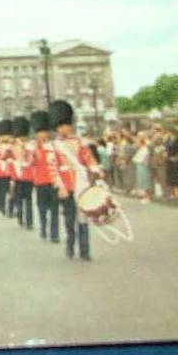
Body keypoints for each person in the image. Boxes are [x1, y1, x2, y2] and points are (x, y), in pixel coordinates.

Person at [50, 100, 103, 260]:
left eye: (66, 125)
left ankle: (85, 251)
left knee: (83, 217)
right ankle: (70, 244)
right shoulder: (54, 145)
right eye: (61, 126)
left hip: (81, 183)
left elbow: (89, 160)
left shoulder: (81, 143)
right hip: (66, 184)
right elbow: (53, 168)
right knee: (69, 218)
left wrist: (97, 171)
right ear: (57, 128)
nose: (64, 129)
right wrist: (60, 186)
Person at [29, 111, 59, 243]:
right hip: (40, 181)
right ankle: (43, 227)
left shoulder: (54, 145)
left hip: (54, 181)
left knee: (54, 209)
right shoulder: (32, 146)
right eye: (40, 132)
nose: (43, 134)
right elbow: (30, 162)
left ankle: (54, 233)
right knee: (42, 208)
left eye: (45, 131)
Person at [11, 115, 35, 230]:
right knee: (19, 198)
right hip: (17, 175)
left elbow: (33, 160)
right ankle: (21, 217)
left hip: (28, 175)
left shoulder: (30, 145)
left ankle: (29, 221)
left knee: (29, 199)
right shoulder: (13, 146)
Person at [133, 134, 152, 203]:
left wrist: (137, 159)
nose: (137, 144)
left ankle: (147, 197)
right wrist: (136, 159)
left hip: (144, 167)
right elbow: (134, 158)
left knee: (145, 182)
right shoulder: (140, 149)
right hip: (139, 167)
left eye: (138, 143)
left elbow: (141, 159)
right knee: (141, 182)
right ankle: (145, 196)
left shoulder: (145, 149)